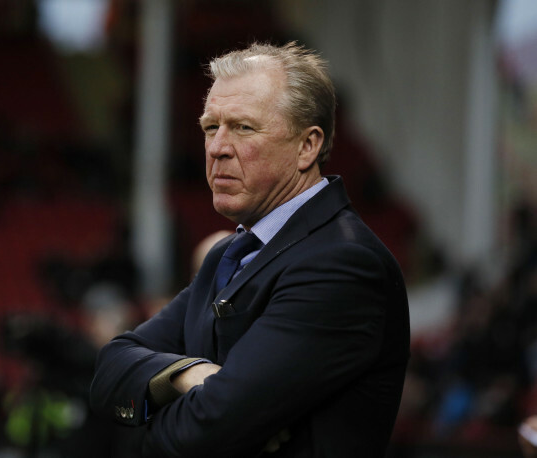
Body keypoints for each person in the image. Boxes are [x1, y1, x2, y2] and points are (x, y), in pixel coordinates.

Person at [90, 41, 410, 457]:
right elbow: (110, 366)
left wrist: (141, 423)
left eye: (243, 127)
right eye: (210, 127)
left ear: (307, 146)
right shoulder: (227, 256)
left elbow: (204, 434)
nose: (217, 147)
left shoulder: (342, 264)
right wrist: (190, 374)